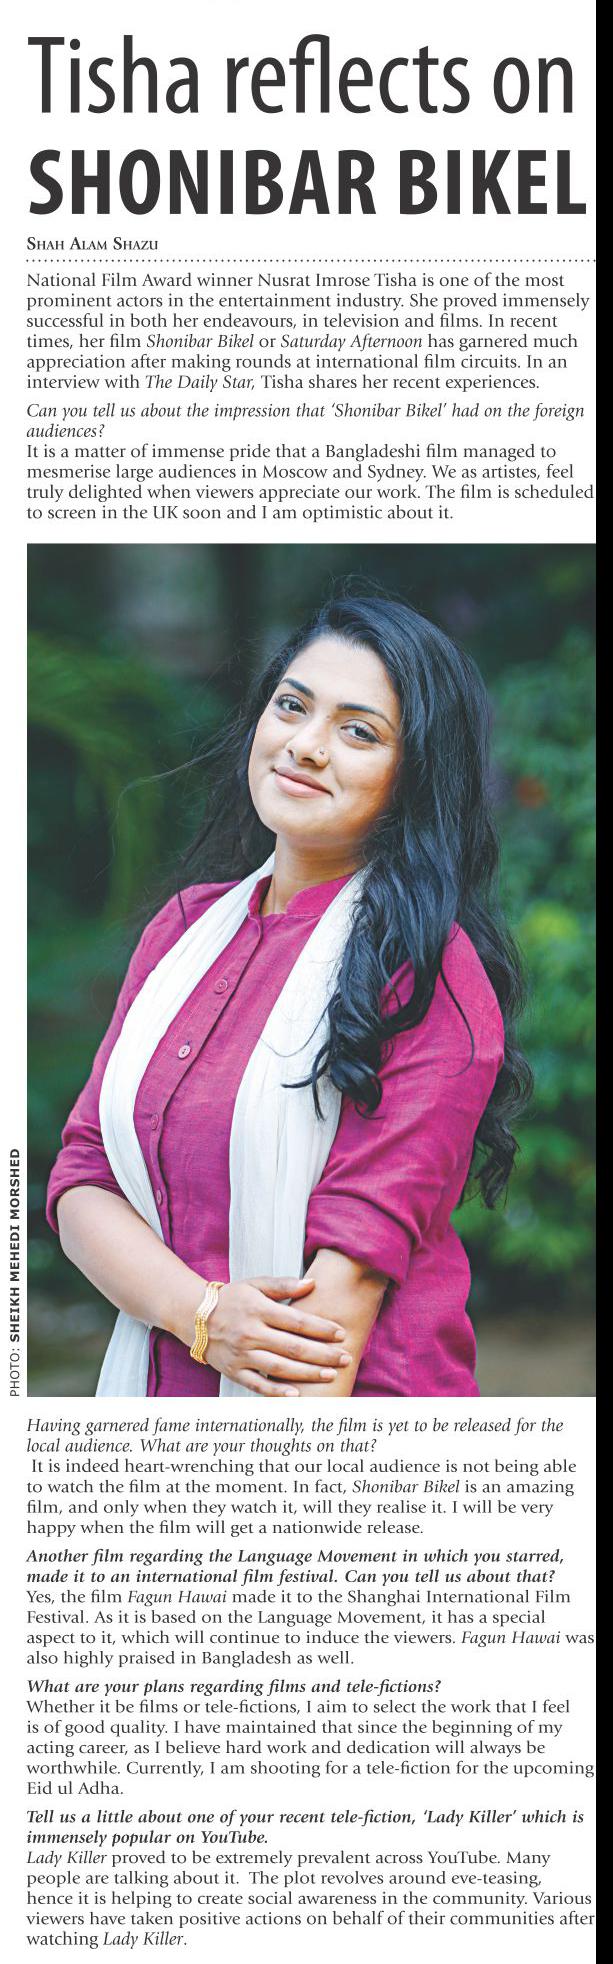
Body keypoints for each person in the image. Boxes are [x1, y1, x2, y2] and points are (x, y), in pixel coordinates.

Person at [46, 588, 531, 1398]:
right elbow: (83, 1172)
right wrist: (202, 1314)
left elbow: (324, 1334)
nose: (305, 746)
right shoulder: (184, 931)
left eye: (358, 731)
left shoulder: (424, 972)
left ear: (412, 778)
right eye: (291, 706)